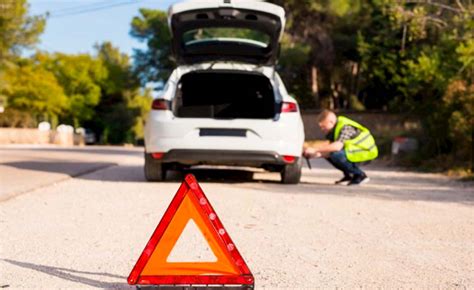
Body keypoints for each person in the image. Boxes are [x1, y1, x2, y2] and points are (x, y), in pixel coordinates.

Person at [304, 110, 378, 185]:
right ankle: (349, 176)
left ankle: (360, 175)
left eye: (324, 126)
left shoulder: (345, 127)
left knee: (336, 155)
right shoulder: (335, 129)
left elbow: (337, 147)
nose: (322, 129)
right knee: (331, 153)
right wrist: (315, 155)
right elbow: (329, 149)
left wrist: (315, 150)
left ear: (331, 122)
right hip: (356, 151)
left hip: (366, 152)